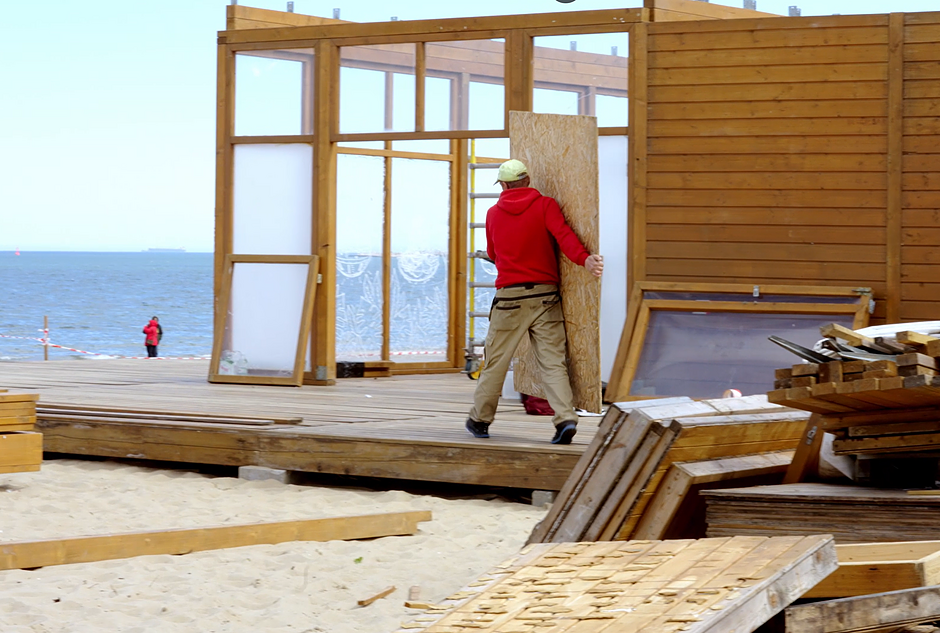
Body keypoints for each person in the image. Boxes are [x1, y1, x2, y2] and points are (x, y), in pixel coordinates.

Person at [466, 159, 604, 445]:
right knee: (553, 363)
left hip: (509, 300)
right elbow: (565, 237)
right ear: (527, 180)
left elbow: (493, 252)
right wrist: (585, 260)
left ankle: (480, 420)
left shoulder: (493, 214)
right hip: (545, 296)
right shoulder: (546, 206)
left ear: (503, 185)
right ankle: (565, 418)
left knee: (495, 362)